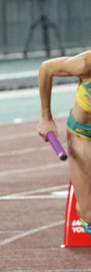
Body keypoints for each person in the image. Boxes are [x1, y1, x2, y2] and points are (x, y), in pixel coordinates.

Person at [37, 50, 91, 232]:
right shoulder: (85, 64)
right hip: (83, 135)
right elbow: (47, 68)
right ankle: (84, 217)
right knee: (89, 214)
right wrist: (46, 118)